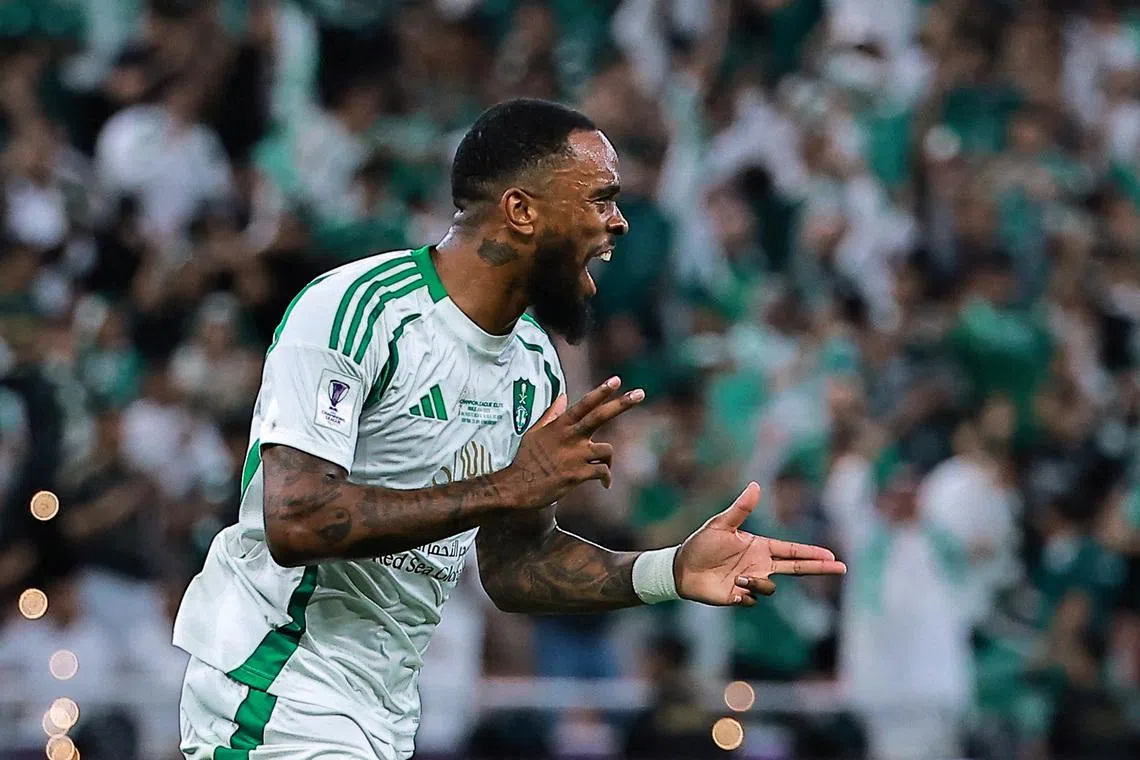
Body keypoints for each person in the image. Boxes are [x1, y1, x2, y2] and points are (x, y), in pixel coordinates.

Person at [172, 98, 847, 760]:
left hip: (380, 715)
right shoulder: (358, 311)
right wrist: (507, 486)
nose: (618, 223)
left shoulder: (532, 364)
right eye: (600, 199)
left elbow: (516, 565)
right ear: (521, 210)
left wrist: (667, 570)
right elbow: (296, 520)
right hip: (276, 691)